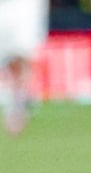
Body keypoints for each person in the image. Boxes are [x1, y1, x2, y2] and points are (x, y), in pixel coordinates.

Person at [0, 0, 48, 135]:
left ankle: (18, 104)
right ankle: (17, 98)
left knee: (21, 53)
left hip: (25, 4)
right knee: (8, 57)